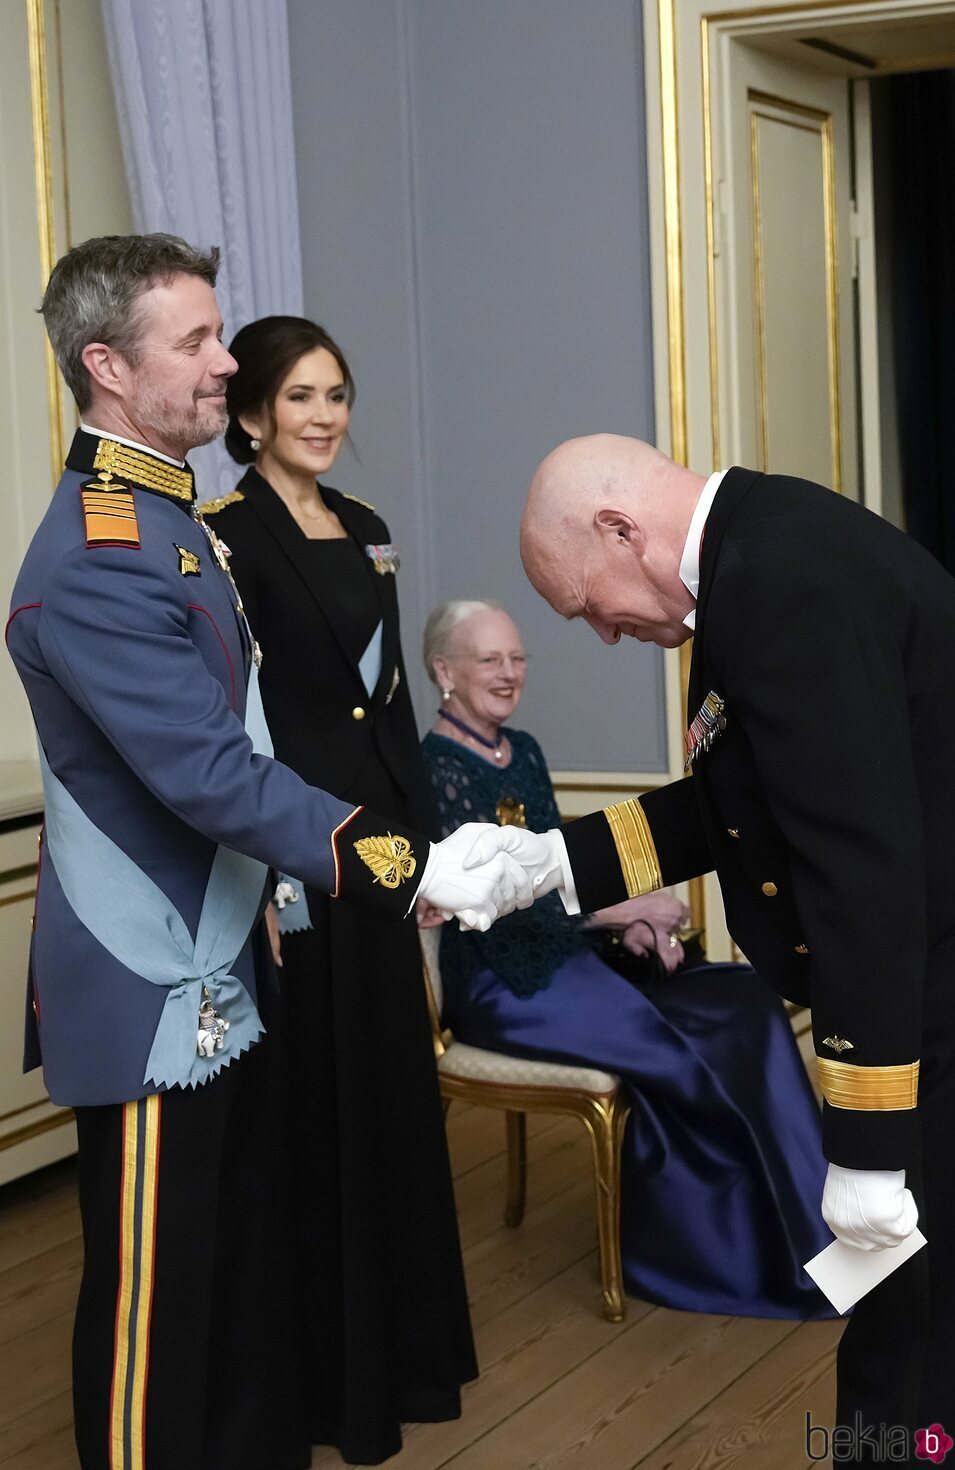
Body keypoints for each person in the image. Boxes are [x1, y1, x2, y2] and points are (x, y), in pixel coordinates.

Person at [5, 234, 531, 1470]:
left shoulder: (161, 517)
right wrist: (408, 864)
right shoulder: (103, 551)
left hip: (226, 959)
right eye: (193, 340)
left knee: (238, 1284)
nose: (225, 360)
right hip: (151, 984)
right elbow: (209, 773)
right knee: (158, 1302)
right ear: (107, 367)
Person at [469, 434, 955, 1468]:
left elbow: (859, 877)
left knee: (924, 1346)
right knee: (913, 1337)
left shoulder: (775, 584)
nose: (602, 634)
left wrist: (869, 1151)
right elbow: (737, 807)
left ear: (619, 530)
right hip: (929, 983)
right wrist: (545, 863)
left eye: (584, 605)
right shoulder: (757, 550)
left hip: (939, 999)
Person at [198, 315, 476, 1464]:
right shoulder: (221, 537)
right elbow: (227, 724)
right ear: (253, 413)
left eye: (338, 396)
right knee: (313, 1109)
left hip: (379, 858)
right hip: (293, 856)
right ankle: (324, 1384)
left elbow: (394, 706)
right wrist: (261, 867)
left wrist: (427, 856)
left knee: (389, 1101)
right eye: (300, 397)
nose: (325, 416)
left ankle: (401, 1357)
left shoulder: (367, 529)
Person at [419, 598, 836, 1318]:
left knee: (741, 1005)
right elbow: (489, 898)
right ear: (443, 671)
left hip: (571, 956)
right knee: (681, 1057)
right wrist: (630, 910)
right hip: (499, 981)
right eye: (490, 659)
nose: (510, 672)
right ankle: (728, 1262)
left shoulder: (525, 751)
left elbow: (553, 880)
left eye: (518, 657)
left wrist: (621, 926)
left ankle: (823, 1230)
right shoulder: (431, 770)